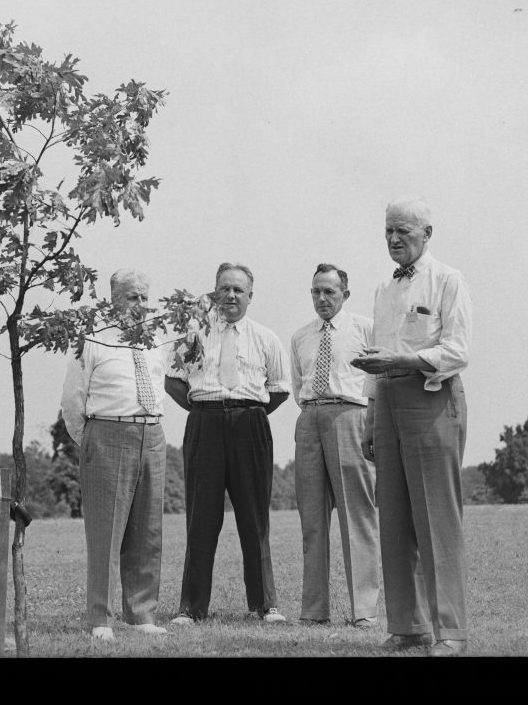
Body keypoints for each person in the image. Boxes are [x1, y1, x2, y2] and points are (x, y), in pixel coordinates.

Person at [351, 195, 472, 657]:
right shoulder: (384, 289)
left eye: (403, 230)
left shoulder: (448, 280)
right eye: (387, 231)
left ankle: (451, 633)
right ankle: (408, 627)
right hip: (388, 403)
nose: (394, 239)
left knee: (436, 518)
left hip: (432, 397)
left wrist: (401, 360)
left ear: (427, 234)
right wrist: (371, 413)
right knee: (395, 517)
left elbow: (458, 350)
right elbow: (376, 356)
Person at [165, 262, 290, 625]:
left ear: (251, 295)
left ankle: (266, 605)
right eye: (224, 289)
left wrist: (246, 414)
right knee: (201, 518)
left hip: (250, 423)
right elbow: (174, 381)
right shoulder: (195, 334)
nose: (231, 295)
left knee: (254, 517)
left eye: (238, 289)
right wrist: (205, 409)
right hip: (205, 422)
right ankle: (191, 607)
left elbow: (279, 391)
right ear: (214, 292)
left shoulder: (266, 338)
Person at [60, 268, 169, 641]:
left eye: (143, 297)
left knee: (147, 529)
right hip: (107, 432)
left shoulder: (157, 340)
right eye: (130, 297)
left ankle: (142, 613)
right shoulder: (93, 340)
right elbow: (73, 401)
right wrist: (92, 440)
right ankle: (100, 618)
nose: (139, 304)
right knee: (106, 531)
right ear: (112, 299)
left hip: (151, 433)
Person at [290, 263, 380, 627]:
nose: (322, 298)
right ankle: (314, 611)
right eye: (316, 291)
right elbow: (299, 385)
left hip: (350, 417)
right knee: (312, 521)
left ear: (345, 292)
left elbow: (377, 379)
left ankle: (364, 611)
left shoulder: (364, 328)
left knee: (357, 517)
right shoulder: (301, 336)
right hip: (310, 418)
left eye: (329, 291)